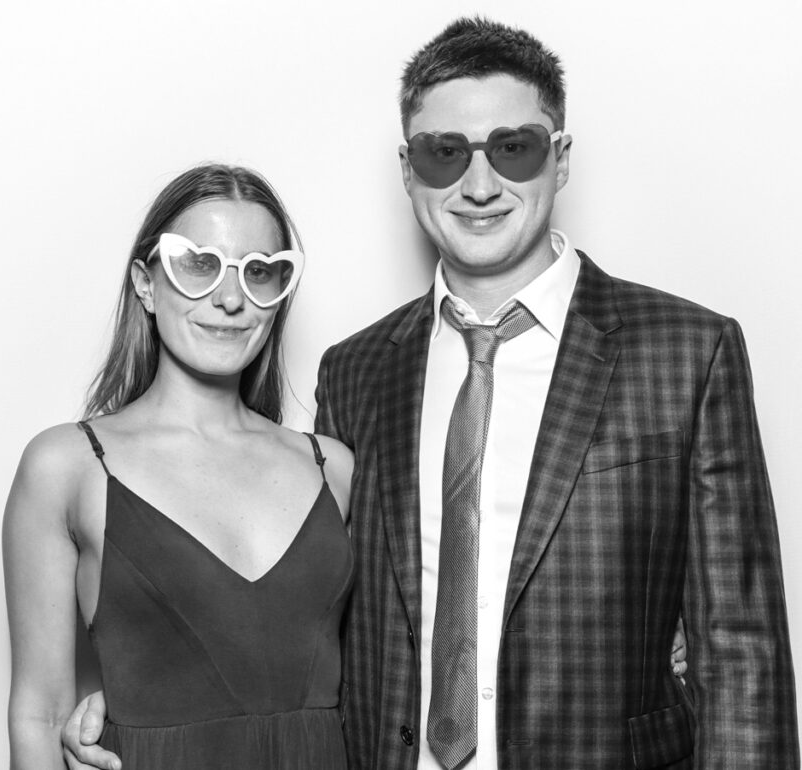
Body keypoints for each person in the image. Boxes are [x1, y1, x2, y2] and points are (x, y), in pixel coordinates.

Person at [61, 17, 795, 770]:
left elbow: (743, 653)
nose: (480, 185)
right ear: (409, 170)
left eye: (514, 147)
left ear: (561, 158)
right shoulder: (358, 372)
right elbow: (309, 615)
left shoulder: (685, 352)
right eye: (446, 155)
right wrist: (135, 702)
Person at [3, 163, 355, 770]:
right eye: (199, 265)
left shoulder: (333, 468)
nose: (228, 298)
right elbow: (40, 713)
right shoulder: (68, 466)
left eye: (260, 273)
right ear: (146, 284)